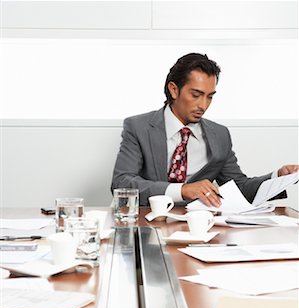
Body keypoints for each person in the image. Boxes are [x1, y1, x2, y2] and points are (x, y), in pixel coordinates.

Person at [111, 53, 298, 206]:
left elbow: (238, 187)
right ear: (174, 90)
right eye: (196, 95)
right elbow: (121, 183)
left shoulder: (220, 135)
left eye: (210, 97)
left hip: (196, 226)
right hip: (147, 222)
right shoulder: (138, 127)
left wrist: (277, 177)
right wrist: (183, 190)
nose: (203, 105)